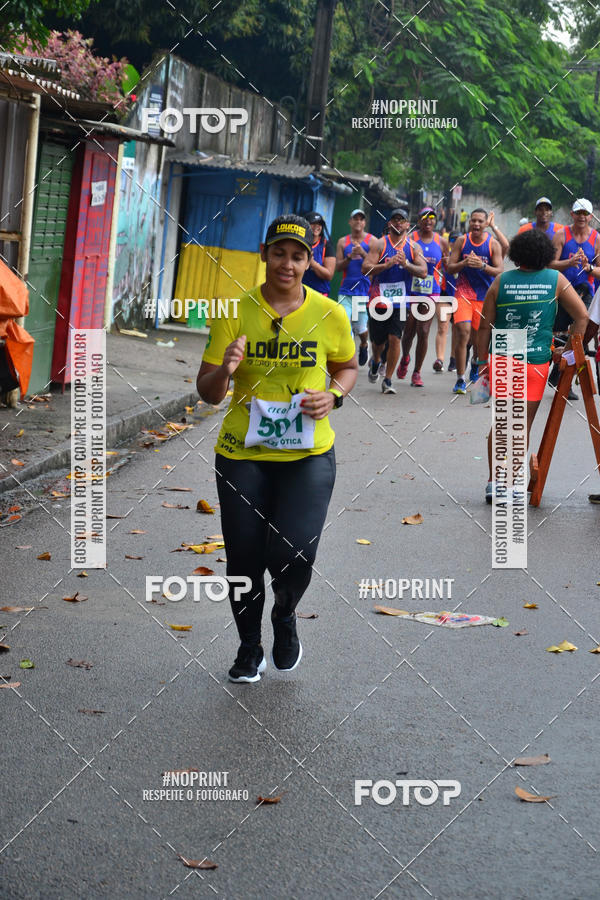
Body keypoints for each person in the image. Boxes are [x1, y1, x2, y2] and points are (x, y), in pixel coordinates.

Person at [197, 214, 358, 683]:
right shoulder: (234, 312)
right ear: (265, 254)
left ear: (310, 261)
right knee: (244, 557)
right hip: (242, 453)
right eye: (279, 253)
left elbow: (347, 367)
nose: (287, 264)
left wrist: (335, 395)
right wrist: (226, 369)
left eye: (298, 255)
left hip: (308, 455)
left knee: (295, 553)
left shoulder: (331, 314)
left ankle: (285, 617)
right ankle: (249, 648)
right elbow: (207, 392)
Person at [475, 229, 588, 503]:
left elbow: (483, 326)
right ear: (545, 254)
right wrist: (569, 349)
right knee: (521, 425)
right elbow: (582, 316)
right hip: (535, 360)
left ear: (517, 254)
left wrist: (480, 361)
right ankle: (511, 485)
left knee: (502, 421)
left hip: (502, 355)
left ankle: (494, 483)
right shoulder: (556, 280)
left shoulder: (501, 282)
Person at [362, 208, 427, 393]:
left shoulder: (414, 247)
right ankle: (375, 362)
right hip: (378, 300)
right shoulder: (380, 244)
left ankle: (388, 380)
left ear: (408, 224)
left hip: (400, 301)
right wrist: (387, 264)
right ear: (390, 223)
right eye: (395, 219)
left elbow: (423, 272)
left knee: (394, 338)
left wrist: (406, 264)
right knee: (378, 342)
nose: (398, 223)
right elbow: (365, 269)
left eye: (402, 220)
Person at [446, 208, 503, 393]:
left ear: (486, 223)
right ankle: (460, 379)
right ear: (469, 222)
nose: (476, 224)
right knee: (463, 332)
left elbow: (500, 270)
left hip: (484, 297)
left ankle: (474, 362)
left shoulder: (493, 244)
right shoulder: (462, 241)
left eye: (480, 221)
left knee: (479, 340)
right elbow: (449, 268)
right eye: (473, 221)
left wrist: (483, 265)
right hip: (463, 293)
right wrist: (464, 263)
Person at [549, 198, 600, 398]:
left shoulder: (596, 239)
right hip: (562, 290)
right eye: (578, 212)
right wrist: (569, 262)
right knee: (559, 334)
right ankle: (554, 371)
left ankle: (565, 381)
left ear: (590, 216)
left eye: (585, 213)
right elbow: (549, 264)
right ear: (572, 214)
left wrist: (588, 267)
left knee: (578, 335)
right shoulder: (561, 235)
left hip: (585, 291)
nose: (581, 217)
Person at [396, 206, 448, 385]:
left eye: (432, 217)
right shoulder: (410, 240)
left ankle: (417, 372)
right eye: (425, 217)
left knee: (424, 331)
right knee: (409, 331)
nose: (428, 220)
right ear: (419, 221)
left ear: (435, 221)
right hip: (411, 290)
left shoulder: (441, 242)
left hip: (431, 291)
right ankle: (405, 358)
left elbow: (446, 265)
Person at [335, 209, 376, 366]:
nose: (358, 221)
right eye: (355, 219)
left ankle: (364, 344)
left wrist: (363, 253)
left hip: (363, 291)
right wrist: (349, 257)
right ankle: (348, 357)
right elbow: (338, 267)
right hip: (345, 290)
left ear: (364, 223)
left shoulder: (372, 241)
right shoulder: (342, 242)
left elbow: (375, 266)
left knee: (361, 327)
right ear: (350, 222)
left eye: (361, 219)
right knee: (344, 322)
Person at [302, 211, 335, 297]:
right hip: (300, 293)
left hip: (319, 295)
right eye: (313, 223)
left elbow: (329, 275)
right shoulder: (299, 243)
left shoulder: (326, 245)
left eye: (319, 224)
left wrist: (312, 263)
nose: (316, 227)